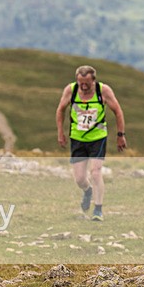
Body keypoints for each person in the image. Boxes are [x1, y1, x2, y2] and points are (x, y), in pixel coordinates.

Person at [55, 65, 127, 221]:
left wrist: (121, 135)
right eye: (80, 83)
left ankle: (98, 210)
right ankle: (88, 191)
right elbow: (60, 110)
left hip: (97, 138)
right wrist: (60, 132)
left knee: (95, 172)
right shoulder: (71, 90)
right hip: (77, 139)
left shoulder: (103, 91)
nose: (83, 87)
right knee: (80, 179)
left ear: (94, 80)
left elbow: (118, 111)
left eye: (87, 83)